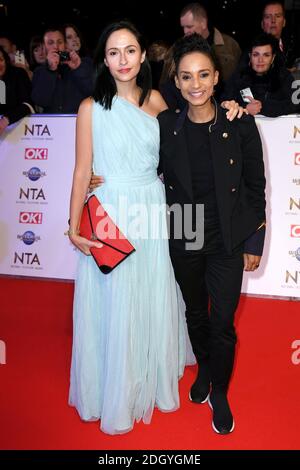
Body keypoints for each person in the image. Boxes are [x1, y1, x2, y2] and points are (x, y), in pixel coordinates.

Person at [67, 20, 188, 435]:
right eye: (114, 52)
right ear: (104, 59)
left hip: (150, 207)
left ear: (142, 56)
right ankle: (114, 388)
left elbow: (188, 138)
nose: (123, 60)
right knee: (115, 298)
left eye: (131, 50)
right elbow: (82, 170)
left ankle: (148, 376)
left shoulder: (156, 100)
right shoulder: (89, 108)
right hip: (110, 211)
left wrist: (231, 108)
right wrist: (72, 227)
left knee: (152, 291)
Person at [157, 34, 266, 435]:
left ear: (217, 77)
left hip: (226, 238)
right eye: (187, 77)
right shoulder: (166, 126)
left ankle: (218, 390)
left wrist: (253, 240)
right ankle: (203, 367)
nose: (196, 84)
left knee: (222, 322)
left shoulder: (240, 124)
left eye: (203, 74)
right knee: (195, 313)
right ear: (178, 82)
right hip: (184, 230)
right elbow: (142, 170)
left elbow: (256, 187)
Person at [222, 33, 299, 117]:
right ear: (250, 56)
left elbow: (296, 104)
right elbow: (223, 103)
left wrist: (263, 106)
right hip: (245, 128)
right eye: (256, 55)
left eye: (266, 55)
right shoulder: (238, 77)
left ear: (273, 58)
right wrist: (245, 107)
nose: (260, 60)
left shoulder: (284, 76)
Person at [31, 27, 93, 114]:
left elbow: (93, 92)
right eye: (50, 43)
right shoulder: (40, 71)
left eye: (59, 42)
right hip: (52, 124)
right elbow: (40, 101)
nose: (56, 46)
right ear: (44, 48)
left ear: (65, 45)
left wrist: (78, 69)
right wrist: (50, 71)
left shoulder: (84, 63)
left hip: (79, 122)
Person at [179, 2, 241, 81]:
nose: (185, 31)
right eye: (183, 27)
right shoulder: (177, 48)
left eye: (189, 26)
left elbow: (242, 77)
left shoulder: (230, 45)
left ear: (203, 23)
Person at [0, 46, 34, 135]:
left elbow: (28, 105)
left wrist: (6, 120)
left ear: (6, 60)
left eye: (0, 60)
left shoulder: (18, 74)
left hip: (22, 133)